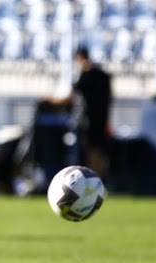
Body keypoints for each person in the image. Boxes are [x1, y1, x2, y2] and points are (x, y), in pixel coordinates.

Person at [42, 47, 112, 178]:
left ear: (79, 57)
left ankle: (95, 179)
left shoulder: (86, 75)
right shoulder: (103, 75)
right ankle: (100, 178)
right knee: (99, 150)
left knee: (92, 150)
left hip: (89, 120)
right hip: (102, 118)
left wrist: (50, 99)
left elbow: (70, 97)